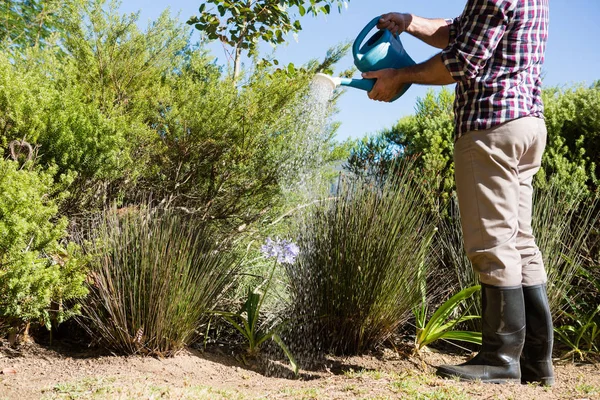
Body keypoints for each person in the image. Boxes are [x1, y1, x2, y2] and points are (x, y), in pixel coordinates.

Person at [362, 0, 553, 386]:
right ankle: (535, 360)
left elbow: (461, 62)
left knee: (493, 244)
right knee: (520, 242)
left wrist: (400, 75)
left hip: (491, 124)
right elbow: (464, 31)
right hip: (526, 124)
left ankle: (500, 359)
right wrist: (410, 23)